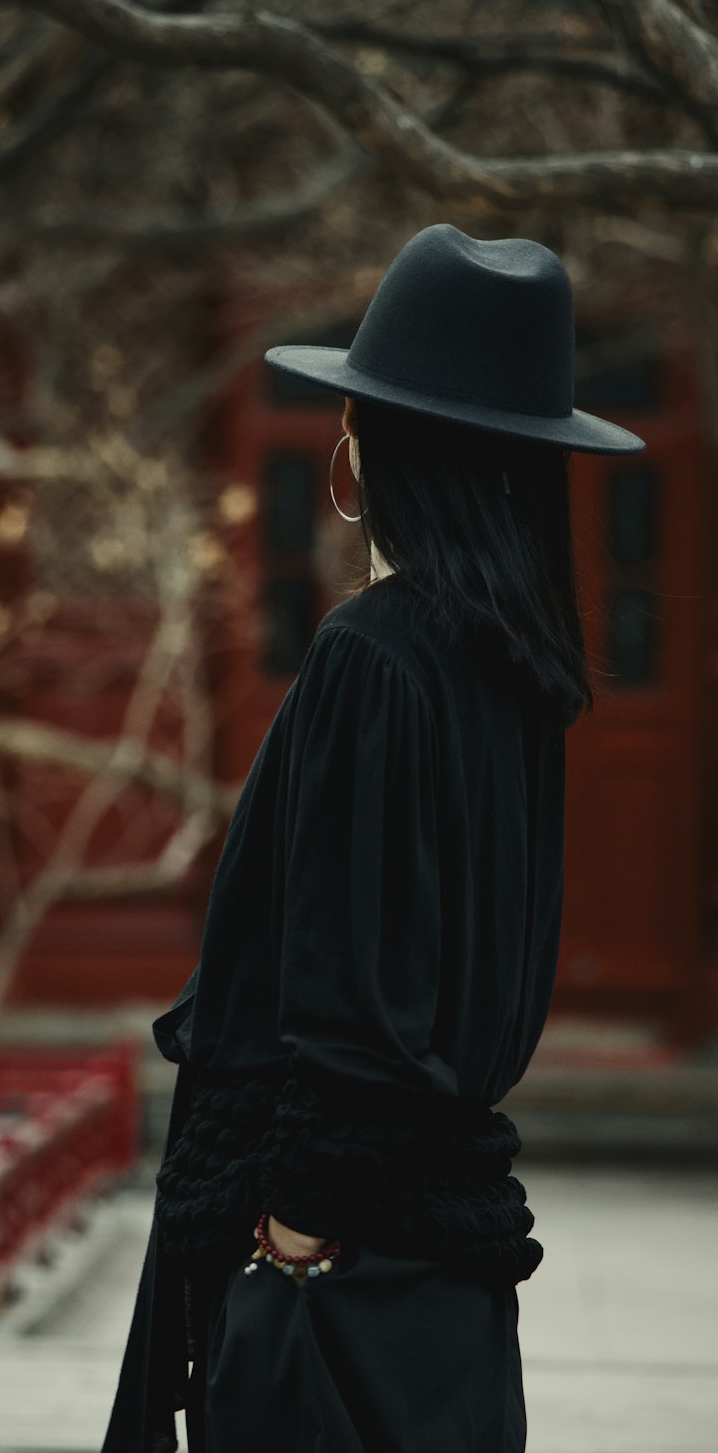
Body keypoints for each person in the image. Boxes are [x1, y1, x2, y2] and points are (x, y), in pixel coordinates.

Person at [101, 223, 645, 1453]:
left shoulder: (372, 652)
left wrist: (292, 1228)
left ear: (379, 460)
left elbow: (347, 980)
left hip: (334, 1270)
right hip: (444, 1269)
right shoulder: (522, 672)